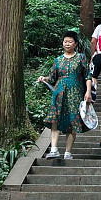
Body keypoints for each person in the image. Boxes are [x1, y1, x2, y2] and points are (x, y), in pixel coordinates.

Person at [37, 32, 88, 160]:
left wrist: (88, 92)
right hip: (59, 93)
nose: (67, 43)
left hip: (75, 93)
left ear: (75, 44)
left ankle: (68, 152)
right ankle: (54, 149)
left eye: (70, 41)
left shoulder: (81, 58)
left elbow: (88, 75)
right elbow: (53, 77)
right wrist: (44, 78)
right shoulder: (58, 60)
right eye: (65, 41)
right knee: (55, 120)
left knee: (72, 121)